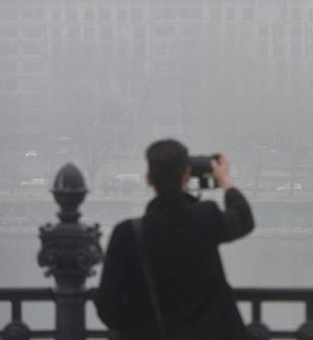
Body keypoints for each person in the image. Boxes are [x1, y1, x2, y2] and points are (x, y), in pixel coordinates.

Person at [94, 139, 255, 340]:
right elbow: (243, 218)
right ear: (186, 175)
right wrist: (224, 179)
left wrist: (141, 327)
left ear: (149, 179)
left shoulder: (127, 234)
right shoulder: (206, 217)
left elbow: (108, 306)